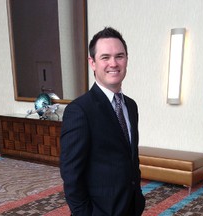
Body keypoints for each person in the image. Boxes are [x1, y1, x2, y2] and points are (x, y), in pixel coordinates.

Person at [60, 27, 146, 216]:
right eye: (105, 57)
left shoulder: (131, 106)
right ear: (92, 62)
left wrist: (137, 196)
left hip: (130, 206)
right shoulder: (80, 110)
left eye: (119, 56)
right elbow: (71, 174)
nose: (113, 63)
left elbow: (131, 157)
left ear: (126, 59)